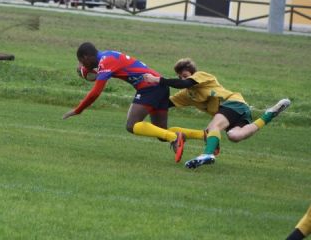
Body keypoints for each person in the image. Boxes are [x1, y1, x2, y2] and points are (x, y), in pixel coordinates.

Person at [143, 58, 290, 169]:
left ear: (193, 73)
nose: (183, 78)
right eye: (180, 76)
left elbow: (186, 83)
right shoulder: (186, 95)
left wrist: (157, 80)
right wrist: (144, 102)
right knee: (235, 136)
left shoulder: (202, 76)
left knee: (214, 126)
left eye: (185, 75)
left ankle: (207, 154)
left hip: (233, 102)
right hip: (235, 111)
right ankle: (269, 114)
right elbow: (165, 104)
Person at [62, 42, 187, 162]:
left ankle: (175, 138)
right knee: (161, 133)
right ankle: (196, 135)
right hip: (160, 85)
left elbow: (95, 93)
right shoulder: (107, 55)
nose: (82, 65)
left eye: (82, 62)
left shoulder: (106, 61)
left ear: (86, 57)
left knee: (131, 125)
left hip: (149, 87)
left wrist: (77, 110)